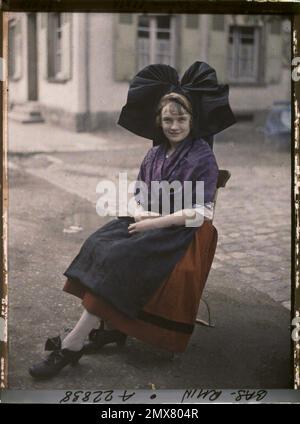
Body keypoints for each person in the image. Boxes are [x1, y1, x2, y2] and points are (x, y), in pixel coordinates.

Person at [28, 61, 236, 379]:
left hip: (183, 230)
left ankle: (72, 345)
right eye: (168, 120)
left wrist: (152, 223)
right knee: (99, 242)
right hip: (148, 218)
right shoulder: (154, 154)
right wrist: (138, 212)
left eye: (181, 119)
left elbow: (200, 212)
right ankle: (107, 326)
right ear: (160, 122)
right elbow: (139, 195)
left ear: (191, 120)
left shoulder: (201, 156)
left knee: (122, 257)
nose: (175, 126)